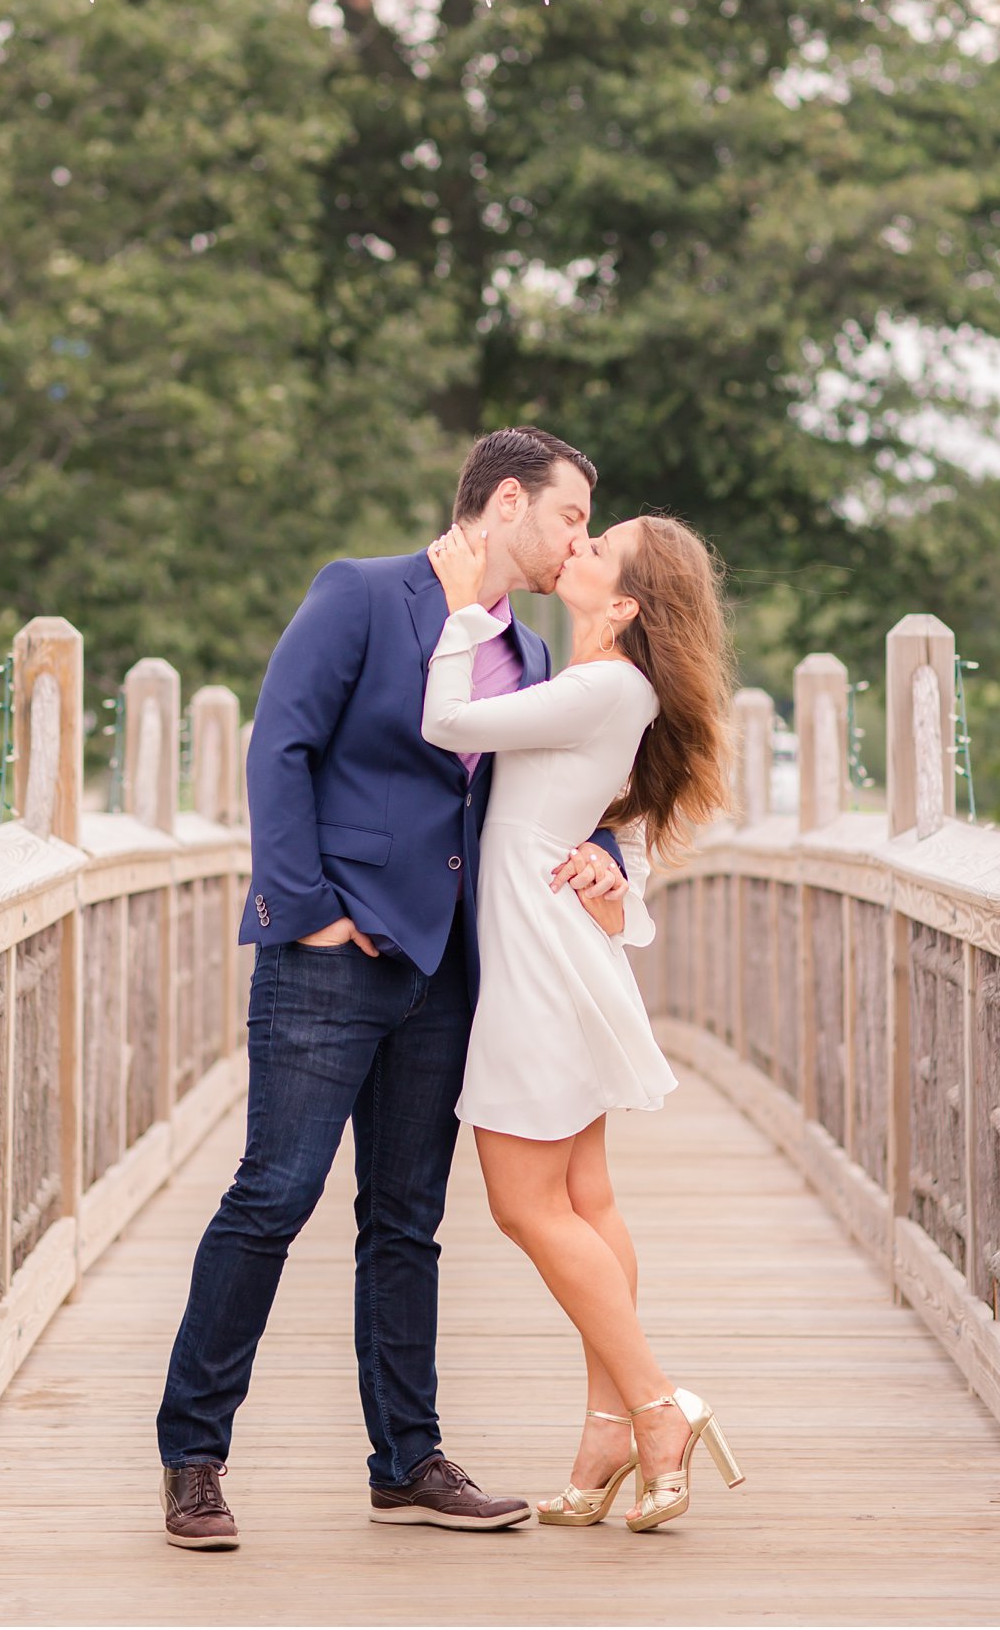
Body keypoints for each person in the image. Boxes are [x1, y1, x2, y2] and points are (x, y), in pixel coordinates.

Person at [157, 428, 633, 1549]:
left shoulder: (532, 657)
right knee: (272, 1197)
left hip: (452, 969)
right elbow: (279, 746)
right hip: (331, 955)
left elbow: (557, 790)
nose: (576, 541)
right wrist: (306, 908)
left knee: (406, 1220)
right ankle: (193, 1458)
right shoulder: (362, 596)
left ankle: (405, 1460)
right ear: (505, 502)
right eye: (568, 517)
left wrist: (611, 850)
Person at [420, 510, 745, 1534]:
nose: (578, 546)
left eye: (598, 548)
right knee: (582, 1196)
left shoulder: (602, 683)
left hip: (537, 965)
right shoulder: (614, 688)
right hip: (555, 949)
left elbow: (451, 724)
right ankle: (609, 1425)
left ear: (625, 605)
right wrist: (610, 856)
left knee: (524, 1206)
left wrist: (463, 614)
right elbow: (619, 836)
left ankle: (656, 1408)